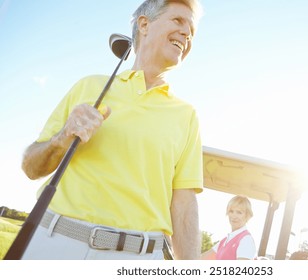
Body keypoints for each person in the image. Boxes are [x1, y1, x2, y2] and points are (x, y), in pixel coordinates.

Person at [19, 0, 203, 260]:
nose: (187, 33)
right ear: (144, 24)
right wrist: (62, 139)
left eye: (192, 31)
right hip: (55, 244)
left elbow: (184, 206)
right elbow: (31, 167)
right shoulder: (88, 86)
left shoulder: (186, 116)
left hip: (135, 260)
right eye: (178, 21)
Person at [201, 195, 257, 260]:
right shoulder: (224, 240)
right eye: (231, 211)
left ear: (247, 216)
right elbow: (202, 258)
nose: (234, 216)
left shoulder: (246, 240)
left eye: (239, 212)